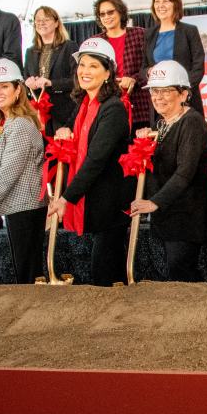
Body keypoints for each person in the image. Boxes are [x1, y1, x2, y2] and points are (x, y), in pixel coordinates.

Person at [46, 38, 135, 287]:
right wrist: (64, 130)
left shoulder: (113, 108)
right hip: (97, 204)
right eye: (82, 65)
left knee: (105, 277)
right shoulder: (85, 104)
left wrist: (65, 197)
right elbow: (71, 128)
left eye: (94, 66)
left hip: (111, 205)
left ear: (108, 73)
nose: (85, 71)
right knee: (106, 277)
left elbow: (95, 159)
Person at [128, 61, 207, 282]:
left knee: (183, 275)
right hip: (168, 217)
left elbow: (185, 172)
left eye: (166, 91)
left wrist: (154, 202)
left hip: (187, 217)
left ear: (184, 94)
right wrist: (144, 143)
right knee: (176, 275)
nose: (158, 97)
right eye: (155, 91)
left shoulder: (192, 123)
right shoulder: (160, 123)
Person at [0, 59, 48, 285]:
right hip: (18, 208)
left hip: (25, 208)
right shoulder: (7, 123)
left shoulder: (20, 124)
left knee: (28, 276)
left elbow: (7, 175)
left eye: (4, 86)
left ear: (18, 90)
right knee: (25, 273)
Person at [139, 0, 206, 117]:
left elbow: (198, 67)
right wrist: (148, 71)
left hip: (185, 101)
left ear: (175, 4)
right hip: (159, 104)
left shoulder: (189, 31)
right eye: (157, 1)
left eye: (166, 1)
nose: (160, 5)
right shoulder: (149, 34)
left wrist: (181, 92)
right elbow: (142, 69)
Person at [23, 5, 78, 137]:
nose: (41, 23)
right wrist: (28, 82)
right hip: (38, 113)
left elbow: (77, 80)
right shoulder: (30, 51)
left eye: (46, 19)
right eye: (37, 20)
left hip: (64, 111)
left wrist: (51, 83)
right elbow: (25, 78)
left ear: (56, 22)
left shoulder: (69, 46)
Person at [94, 0, 147, 128]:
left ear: (121, 11)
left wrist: (134, 79)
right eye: (102, 14)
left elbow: (150, 66)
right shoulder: (96, 42)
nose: (106, 17)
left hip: (139, 105)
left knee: (140, 148)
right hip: (108, 106)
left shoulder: (140, 34)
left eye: (110, 12)